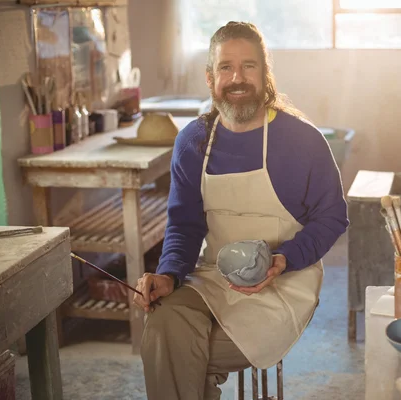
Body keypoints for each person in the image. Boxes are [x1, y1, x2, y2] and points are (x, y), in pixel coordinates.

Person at [133, 21, 349, 400]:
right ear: (210, 77)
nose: (237, 78)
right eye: (225, 67)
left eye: (249, 66)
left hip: (285, 283)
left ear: (265, 74)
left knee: (172, 350)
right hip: (214, 274)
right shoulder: (193, 142)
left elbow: (332, 216)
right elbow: (183, 224)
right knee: (164, 321)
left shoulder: (303, 141)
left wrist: (285, 258)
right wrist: (168, 274)